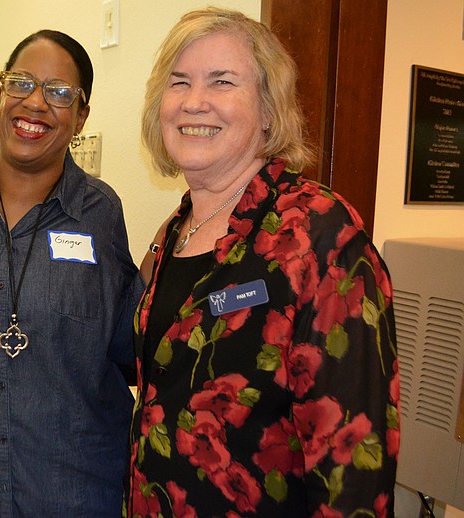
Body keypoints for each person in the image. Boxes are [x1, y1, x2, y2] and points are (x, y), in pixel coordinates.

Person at [126, 8, 399, 517]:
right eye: (178, 81)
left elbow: (354, 471)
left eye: (222, 81)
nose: (194, 101)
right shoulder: (176, 231)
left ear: (269, 109)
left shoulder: (321, 235)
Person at [0, 30, 142, 516]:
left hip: (73, 489)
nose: (36, 103)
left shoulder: (99, 212)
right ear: (1, 95)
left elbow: (128, 341)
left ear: (81, 117)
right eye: (21, 83)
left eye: (60, 93)